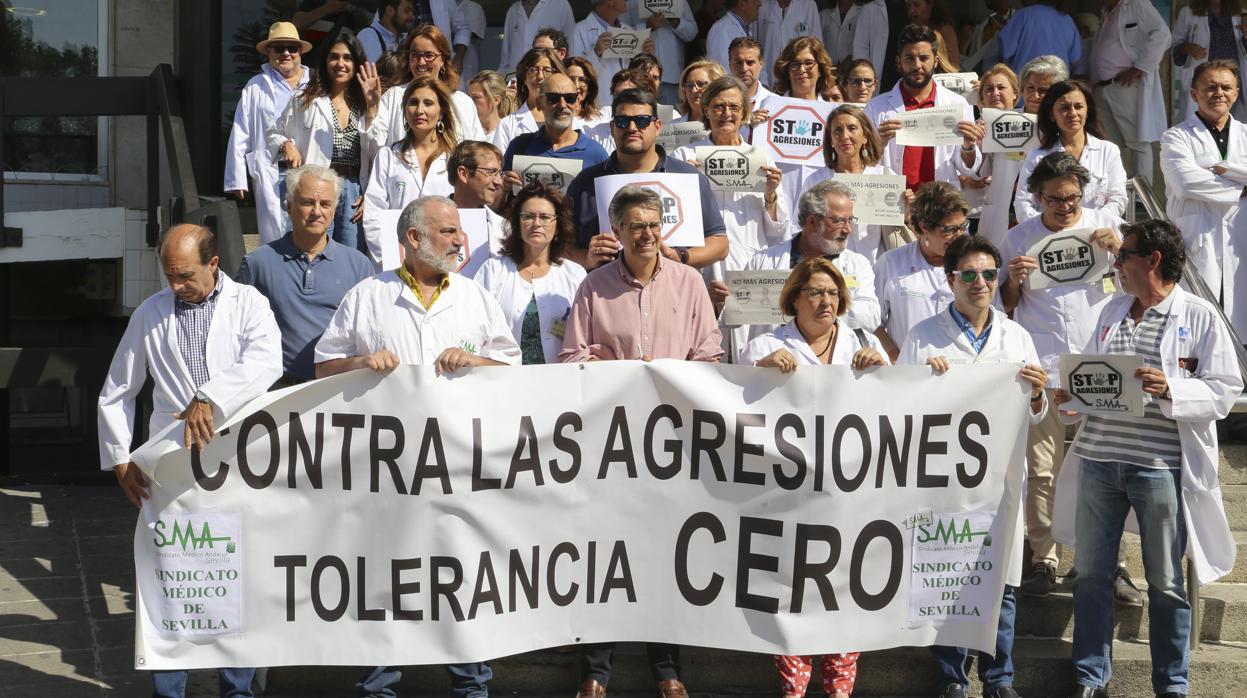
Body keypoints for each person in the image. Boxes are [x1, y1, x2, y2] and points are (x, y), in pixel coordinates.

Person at [314, 196, 520, 698]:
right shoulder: (368, 296)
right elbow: (322, 367)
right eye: (448, 231)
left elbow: (514, 372)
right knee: (386, 577)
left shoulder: (474, 297)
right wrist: (360, 362)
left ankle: (472, 687)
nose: (459, 240)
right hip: (387, 471)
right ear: (413, 239)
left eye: (458, 232)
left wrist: (475, 364)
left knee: (463, 578)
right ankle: (379, 686)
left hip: (459, 465)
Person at [1053, 219, 1243, 698]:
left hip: (1159, 467)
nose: (1116, 265)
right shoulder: (1110, 310)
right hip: (1098, 459)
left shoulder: (1198, 315)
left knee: (1165, 580)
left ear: (1152, 260)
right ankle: (1091, 676)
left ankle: (1172, 683)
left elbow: (1225, 390)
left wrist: (1170, 387)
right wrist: (1070, 397)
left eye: (1124, 257)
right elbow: (1098, 378)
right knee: (1092, 574)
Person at [98, 224, 281, 698]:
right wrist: (120, 457)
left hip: (237, 457)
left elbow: (267, 362)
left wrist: (209, 396)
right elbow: (119, 389)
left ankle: (236, 688)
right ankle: (170, 689)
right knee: (172, 574)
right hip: (170, 461)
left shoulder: (250, 305)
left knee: (237, 573)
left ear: (213, 264)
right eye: (169, 275)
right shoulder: (150, 313)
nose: (175, 286)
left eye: (185, 276)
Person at [557, 185, 719, 698]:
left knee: (666, 557)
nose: (647, 234)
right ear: (617, 231)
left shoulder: (690, 282)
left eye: (654, 225)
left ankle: (667, 669)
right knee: (603, 556)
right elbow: (570, 359)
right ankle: (595, 671)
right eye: (635, 226)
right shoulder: (593, 286)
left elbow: (709, 356)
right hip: (610, 442)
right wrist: (621, 371)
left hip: (672, 442)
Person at [899, 234, 1050, 698]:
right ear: (951, 281)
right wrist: (925, 381)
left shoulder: (1016, 336)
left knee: (999, 584)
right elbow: (899, 405)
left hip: (1000, 481)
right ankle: (951, 676)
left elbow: (1036, 412)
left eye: (989, 274)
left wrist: (1040, 393)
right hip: (943, 481)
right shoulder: (923, 336)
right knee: (945, 580)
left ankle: (999, 678)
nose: (981, 283)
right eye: (969, 275)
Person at [998, 152, 1134, 603]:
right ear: (1036, 198)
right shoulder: (1018, 238)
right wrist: (1014, 280)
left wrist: (1118, 251)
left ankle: (1111, 562)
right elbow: (1006, 306)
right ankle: (1044, 559)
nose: (1065, 206)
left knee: (1110, 469)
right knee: (1042, 470)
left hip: (1101, 365)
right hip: (1044, 368)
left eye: (1073, 197)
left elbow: (1136, 285)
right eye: (1054, 199)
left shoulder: (1104, 226)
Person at [671, 76, 786, 356]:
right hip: (701, 265)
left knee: (751, 349)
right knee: (704, 347)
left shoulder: (761, 158)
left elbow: (777, 232)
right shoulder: (685, 156)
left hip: (748, 263)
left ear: (745, 112)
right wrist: (686, 180)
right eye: (719, 106)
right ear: (706, 110)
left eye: (734, 107)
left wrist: (771, 194)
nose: (726, 114)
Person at [236, 165, 375, 387]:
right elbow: (235, 327)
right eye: (307, 202)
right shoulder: (257, 263)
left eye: (326, 204)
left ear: (335, 209)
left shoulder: (359, 265)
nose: (317, 212)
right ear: (289, 206)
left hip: (337, 391)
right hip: (274, 391)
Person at [564, 87, 730, 271]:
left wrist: (681, 257)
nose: (632, 128)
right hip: (605, 294)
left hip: (673, 290)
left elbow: (719, 244)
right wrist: (585, 258)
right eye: (622, 121)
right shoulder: (586, 182)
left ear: (657, 127)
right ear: (611, 128)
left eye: (642, 121)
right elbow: (560, 245)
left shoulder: (688, 176)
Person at [268, 29, 381, 254]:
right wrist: (285, 144)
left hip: (353, 191)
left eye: (347, 58)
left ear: (357, 63)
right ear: (325, 61)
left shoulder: (367, 101)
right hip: (319, 187)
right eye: (334, 57)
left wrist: (373, 107)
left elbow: (379, 152)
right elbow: (273, 132)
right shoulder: (305, 100)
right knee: (313, 250)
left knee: (351, 255)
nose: (340, 63)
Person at [737, 179, 882, 349]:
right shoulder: (762, 261)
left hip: (832, 363)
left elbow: (870, 317)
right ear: (812, 221)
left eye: (850, 220)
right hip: (774, 362)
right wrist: (722, 304)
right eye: (838, 221)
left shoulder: (857, 264)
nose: (848, 229)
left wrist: (810, 309)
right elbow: (737, 316)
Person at [1161, 59, 1247, 339]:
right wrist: (1242, 186)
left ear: (1236, 93)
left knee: (1240, 323)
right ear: (1194, 93)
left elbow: (1200, 182)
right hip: (1196, 237)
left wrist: (1223, 173)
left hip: (1239, 240)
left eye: (1226, 87)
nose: (1218, 93)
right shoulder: (1176, 137)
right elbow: (1186, 182)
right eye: (1210, 87)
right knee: (1196, 327)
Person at [475, 184, 586, 364]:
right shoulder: (493, 270)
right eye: (528, 217)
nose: (536, 223)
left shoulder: (575, 274)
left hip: (560, 380)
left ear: (558, 227)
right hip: (504, 379)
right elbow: (476, 325)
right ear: (517, 225)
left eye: (545, 217)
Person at [866, 24, 982, 194]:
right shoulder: (876, 107)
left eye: (924, 58)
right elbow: (861, 164)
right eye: (909, 58)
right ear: (899, 61)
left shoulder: (957, 104)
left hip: (941, 204)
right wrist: (879, 144)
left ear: (935, 60)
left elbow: (968, 169)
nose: (917, 65)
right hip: (893, 204)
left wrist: (968, 146)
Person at [226, 22, 312, 245]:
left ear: (300, 51)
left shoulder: (316, 84)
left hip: (309, 167)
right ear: (268, 53)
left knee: (309, 229)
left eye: (292, 48)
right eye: (279, 48)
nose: (286, 53)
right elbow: (241, 130)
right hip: (272, 167)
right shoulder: (256, 86)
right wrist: (237, 177)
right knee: (276, 234)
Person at [363, 75, 458, 265]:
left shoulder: (456, 158)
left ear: (441, 112)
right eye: (413, 103)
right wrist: (389, 257)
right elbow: (374, 213)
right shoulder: (388, 156)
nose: (419, 110)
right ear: (405, 110)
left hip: (445, 262)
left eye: (428, 103)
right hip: (396, 260)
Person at [793, 104, 904, 265]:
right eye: (837, 130)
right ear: (830, 140)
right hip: (829, 272)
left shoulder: (884, 177)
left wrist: (906, 212)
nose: (844, 136)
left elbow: (899, 228)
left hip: (875, 272)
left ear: (865, 136)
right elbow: (800, 228)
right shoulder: (816, 181)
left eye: (852, 128)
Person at [367, 24, 486, 168]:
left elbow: (477, 151)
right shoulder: (394, 96)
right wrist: (372, 108)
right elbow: (374, 149)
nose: (421, 62)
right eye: (415, 55)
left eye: (429, 55)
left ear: (443, 59)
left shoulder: (461, 102)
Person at [874, 180, 966, 360]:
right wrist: (895, 357)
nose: (959, 235)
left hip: (961, 374)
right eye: (950, 229)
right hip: (907, 376)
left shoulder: (975, 264)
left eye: (963, 226)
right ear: (924, 227)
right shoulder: (891, 262)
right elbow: (873, 322)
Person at [1013, 80, 1127, 223]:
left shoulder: (1109, 151)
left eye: (1078, 106)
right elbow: (1023, 203)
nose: (1072, 113)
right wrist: (1049, 227)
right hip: (1050, 238)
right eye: (1064, 108)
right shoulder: (1037, 156)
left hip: (1097, 234)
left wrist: (1094, 223)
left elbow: (1118, 198)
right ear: (1052, 114)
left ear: (1087, 111)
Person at [1090, 0, 1170, 185]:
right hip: (1102, 86)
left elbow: (1163, 35)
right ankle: (1118, 191)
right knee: (1110, 144)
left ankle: (1143, 197)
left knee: (1137, 142)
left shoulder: (1136, 4)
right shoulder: (1107, 10)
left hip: (1126, 85)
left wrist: (1140, 67)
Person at [501, 71, 610, 174]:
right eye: (553, 98)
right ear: (539, 103)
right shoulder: (519, 147)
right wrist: (504, 188)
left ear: (577, 102)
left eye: (569, 98)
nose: (562, 105)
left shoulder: (596, 154)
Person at [964, 63, 1022, 247]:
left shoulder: (1029, 125)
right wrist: (965, 178)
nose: (995, 93)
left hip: (1019, 208)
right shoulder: (970, 128)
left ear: (1015, 93)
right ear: (981, 98)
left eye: (1001, 87)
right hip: (979, 212)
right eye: (988, 89)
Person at [1171, 0, 1247, 120]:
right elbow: (1175, 47)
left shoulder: (1241, 14)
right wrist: (1188, 47)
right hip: (1204, 79)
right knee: (1202, 122)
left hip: (1233, 78)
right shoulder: (1188, 13)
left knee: (1233, 125)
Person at [625, 0, 699, 106]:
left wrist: (677, 22)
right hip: (639, 78)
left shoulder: (679, 1)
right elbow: (621, 32)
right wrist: (646, 27)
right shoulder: (632, 2)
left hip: (671, 79)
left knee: (672, 120)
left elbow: (691, 34)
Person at [491, 47, 567, 150]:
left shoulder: (570, 119)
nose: (540, 76)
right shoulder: (508, 124)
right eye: (533, 70)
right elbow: (500, 163)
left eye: (547, 70)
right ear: (524, 77)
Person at [448, 140, 509, 254]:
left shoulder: (505, 230)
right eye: (491, 172)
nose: (499, 181)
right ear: (463, 174)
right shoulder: (428, 222)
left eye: (499, 174)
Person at [572, 0, 642, 100]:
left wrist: (644, 54)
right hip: (598, 101)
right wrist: (596, 53)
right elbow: (574, 73)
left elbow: (636, 71)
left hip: (627, 101)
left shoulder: (629, 30)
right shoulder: (579, 31)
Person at [993, 0, 1081, 78]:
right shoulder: (1068, 20)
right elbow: (1075, 60)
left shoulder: (1023, 15)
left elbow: (1006, 51)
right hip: (1057, 87)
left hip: (1027, 87)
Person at [499, 0, 575, 79]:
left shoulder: (561, 4)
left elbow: (571, 46)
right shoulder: (513, 10)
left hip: (549, 77)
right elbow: (506, 55)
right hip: (517, 77)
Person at [758, 0, 821, 81]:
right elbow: (754, 43)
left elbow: (817, 47)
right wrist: (762, 80)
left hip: (800, 73)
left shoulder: (808, 5)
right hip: (768, 74)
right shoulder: (762, 5)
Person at [708, 0, 764, 85]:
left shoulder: (746, 29)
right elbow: (722, 72)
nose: (760, 4)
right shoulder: (721, 29)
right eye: (755, 1)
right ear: (742, 4)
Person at [729, 37, 776, 138]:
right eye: (738, 62)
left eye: (750, 62)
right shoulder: (716, 102)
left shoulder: (777, 102)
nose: (744, 68)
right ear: (730, 65)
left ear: (761, 64)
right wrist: (746, 122)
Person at [772, 36, 838, 103]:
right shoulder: (772, 108)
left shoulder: (829, 111)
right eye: (795, 64)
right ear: (787, 71)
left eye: (809, 63)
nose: (802, 69)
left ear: (820, 70)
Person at [905, 0, 960, 70]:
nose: (912, 10)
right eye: (909, 6)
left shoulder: (945, 30)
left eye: (917, 5)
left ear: (930, 4)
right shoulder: (909, 31)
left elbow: (954, 65)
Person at [674, 59, 727, 124]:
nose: (694, 90)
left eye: (701, 84)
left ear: (717, 86)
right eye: (689, 85)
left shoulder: (728, 125)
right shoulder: (671, 127)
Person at [467, 70, 514, 142]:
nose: (469, 102)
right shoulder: (467, 131)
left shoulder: (509, 132)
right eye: (468, 97)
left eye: (476, 97)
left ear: (496, 100)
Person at [852, 0, 890, 85]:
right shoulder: (869, 9)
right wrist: (864, 80)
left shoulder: (911, 6)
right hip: (879, 80)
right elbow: (860, 49)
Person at [567, 57, 608, 127]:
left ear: (589, 88)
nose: (577, 85)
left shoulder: (601, 119)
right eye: (571, 79)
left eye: (582, 80)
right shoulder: (555, 119)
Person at [456, 0, 486, 91]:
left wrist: (448, 32)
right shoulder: (445, 4)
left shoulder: (473, 7)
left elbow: (473, 32)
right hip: (449, 52)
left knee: (467, 87)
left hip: (468, 53)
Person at [822, 0, 863, 64]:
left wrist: (850, 58)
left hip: (853, 67)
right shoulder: (824, 15)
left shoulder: (862, 13)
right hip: (828, 67)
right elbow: (816, 42)